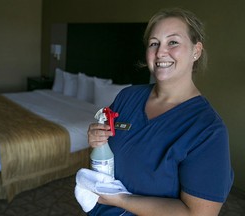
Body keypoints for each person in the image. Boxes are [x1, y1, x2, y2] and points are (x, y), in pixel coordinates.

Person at [86, 7, 234, 216]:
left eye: (172, 42)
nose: (160, 52)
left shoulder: (208, 130)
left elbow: (198, 214)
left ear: (196, 51)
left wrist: (122, 200)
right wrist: (96, 142)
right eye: (154, 43)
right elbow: (105, 158)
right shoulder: (127, 97)